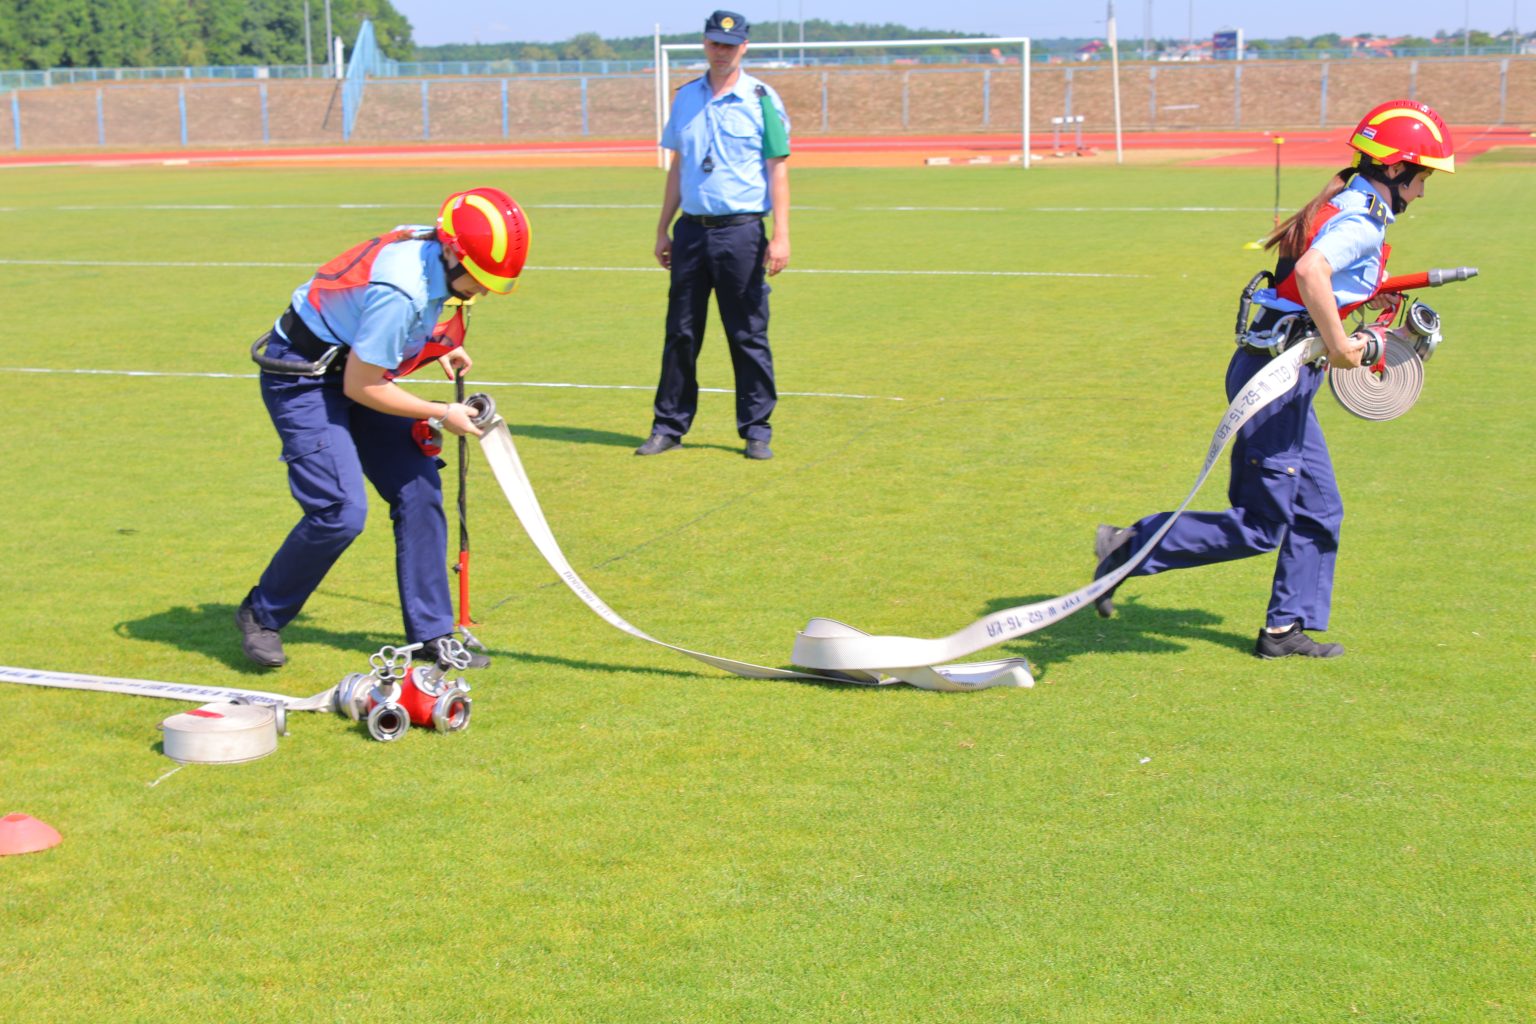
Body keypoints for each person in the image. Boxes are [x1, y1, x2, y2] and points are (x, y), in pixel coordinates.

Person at [1092, 100, 1455, 659]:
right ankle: (1128, 547)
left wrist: (1364, 294)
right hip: (1276, 376)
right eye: (1422, 177)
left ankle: (1284, 630)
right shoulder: (1360, 216)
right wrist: (1339, 346)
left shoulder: (1347, 198)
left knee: (1320, 508)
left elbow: (1315, 277)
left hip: (1281, 370)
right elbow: (1312, 272)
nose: (1423, 192)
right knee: (1262, 525)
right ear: (1394, 167)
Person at [235, 187, 531, 669]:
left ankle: (433, 635)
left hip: (358, 367)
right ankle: (261, 613)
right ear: (455, 250)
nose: (479, 291)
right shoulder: (404, 289)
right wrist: (440, 412)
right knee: (340, 511)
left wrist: (435, 343)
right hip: (307, 378)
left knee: (419, 490)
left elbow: (379, 336)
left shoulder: (432, 249)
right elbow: (361, 386)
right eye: (477, 280)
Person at [635, 9, 791, 461]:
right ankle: (668, 426)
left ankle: (757, 429)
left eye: (729, 44)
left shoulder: (763, 98)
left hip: (741, 232)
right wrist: (663, 228)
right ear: (705, 45)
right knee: (680, 333)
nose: (720, 52)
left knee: (747, 333)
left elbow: (777, 169)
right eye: (713, 44)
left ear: (743, 47)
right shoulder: (685, 98)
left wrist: (781, 236)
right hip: (691, 232)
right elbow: (678, 168)